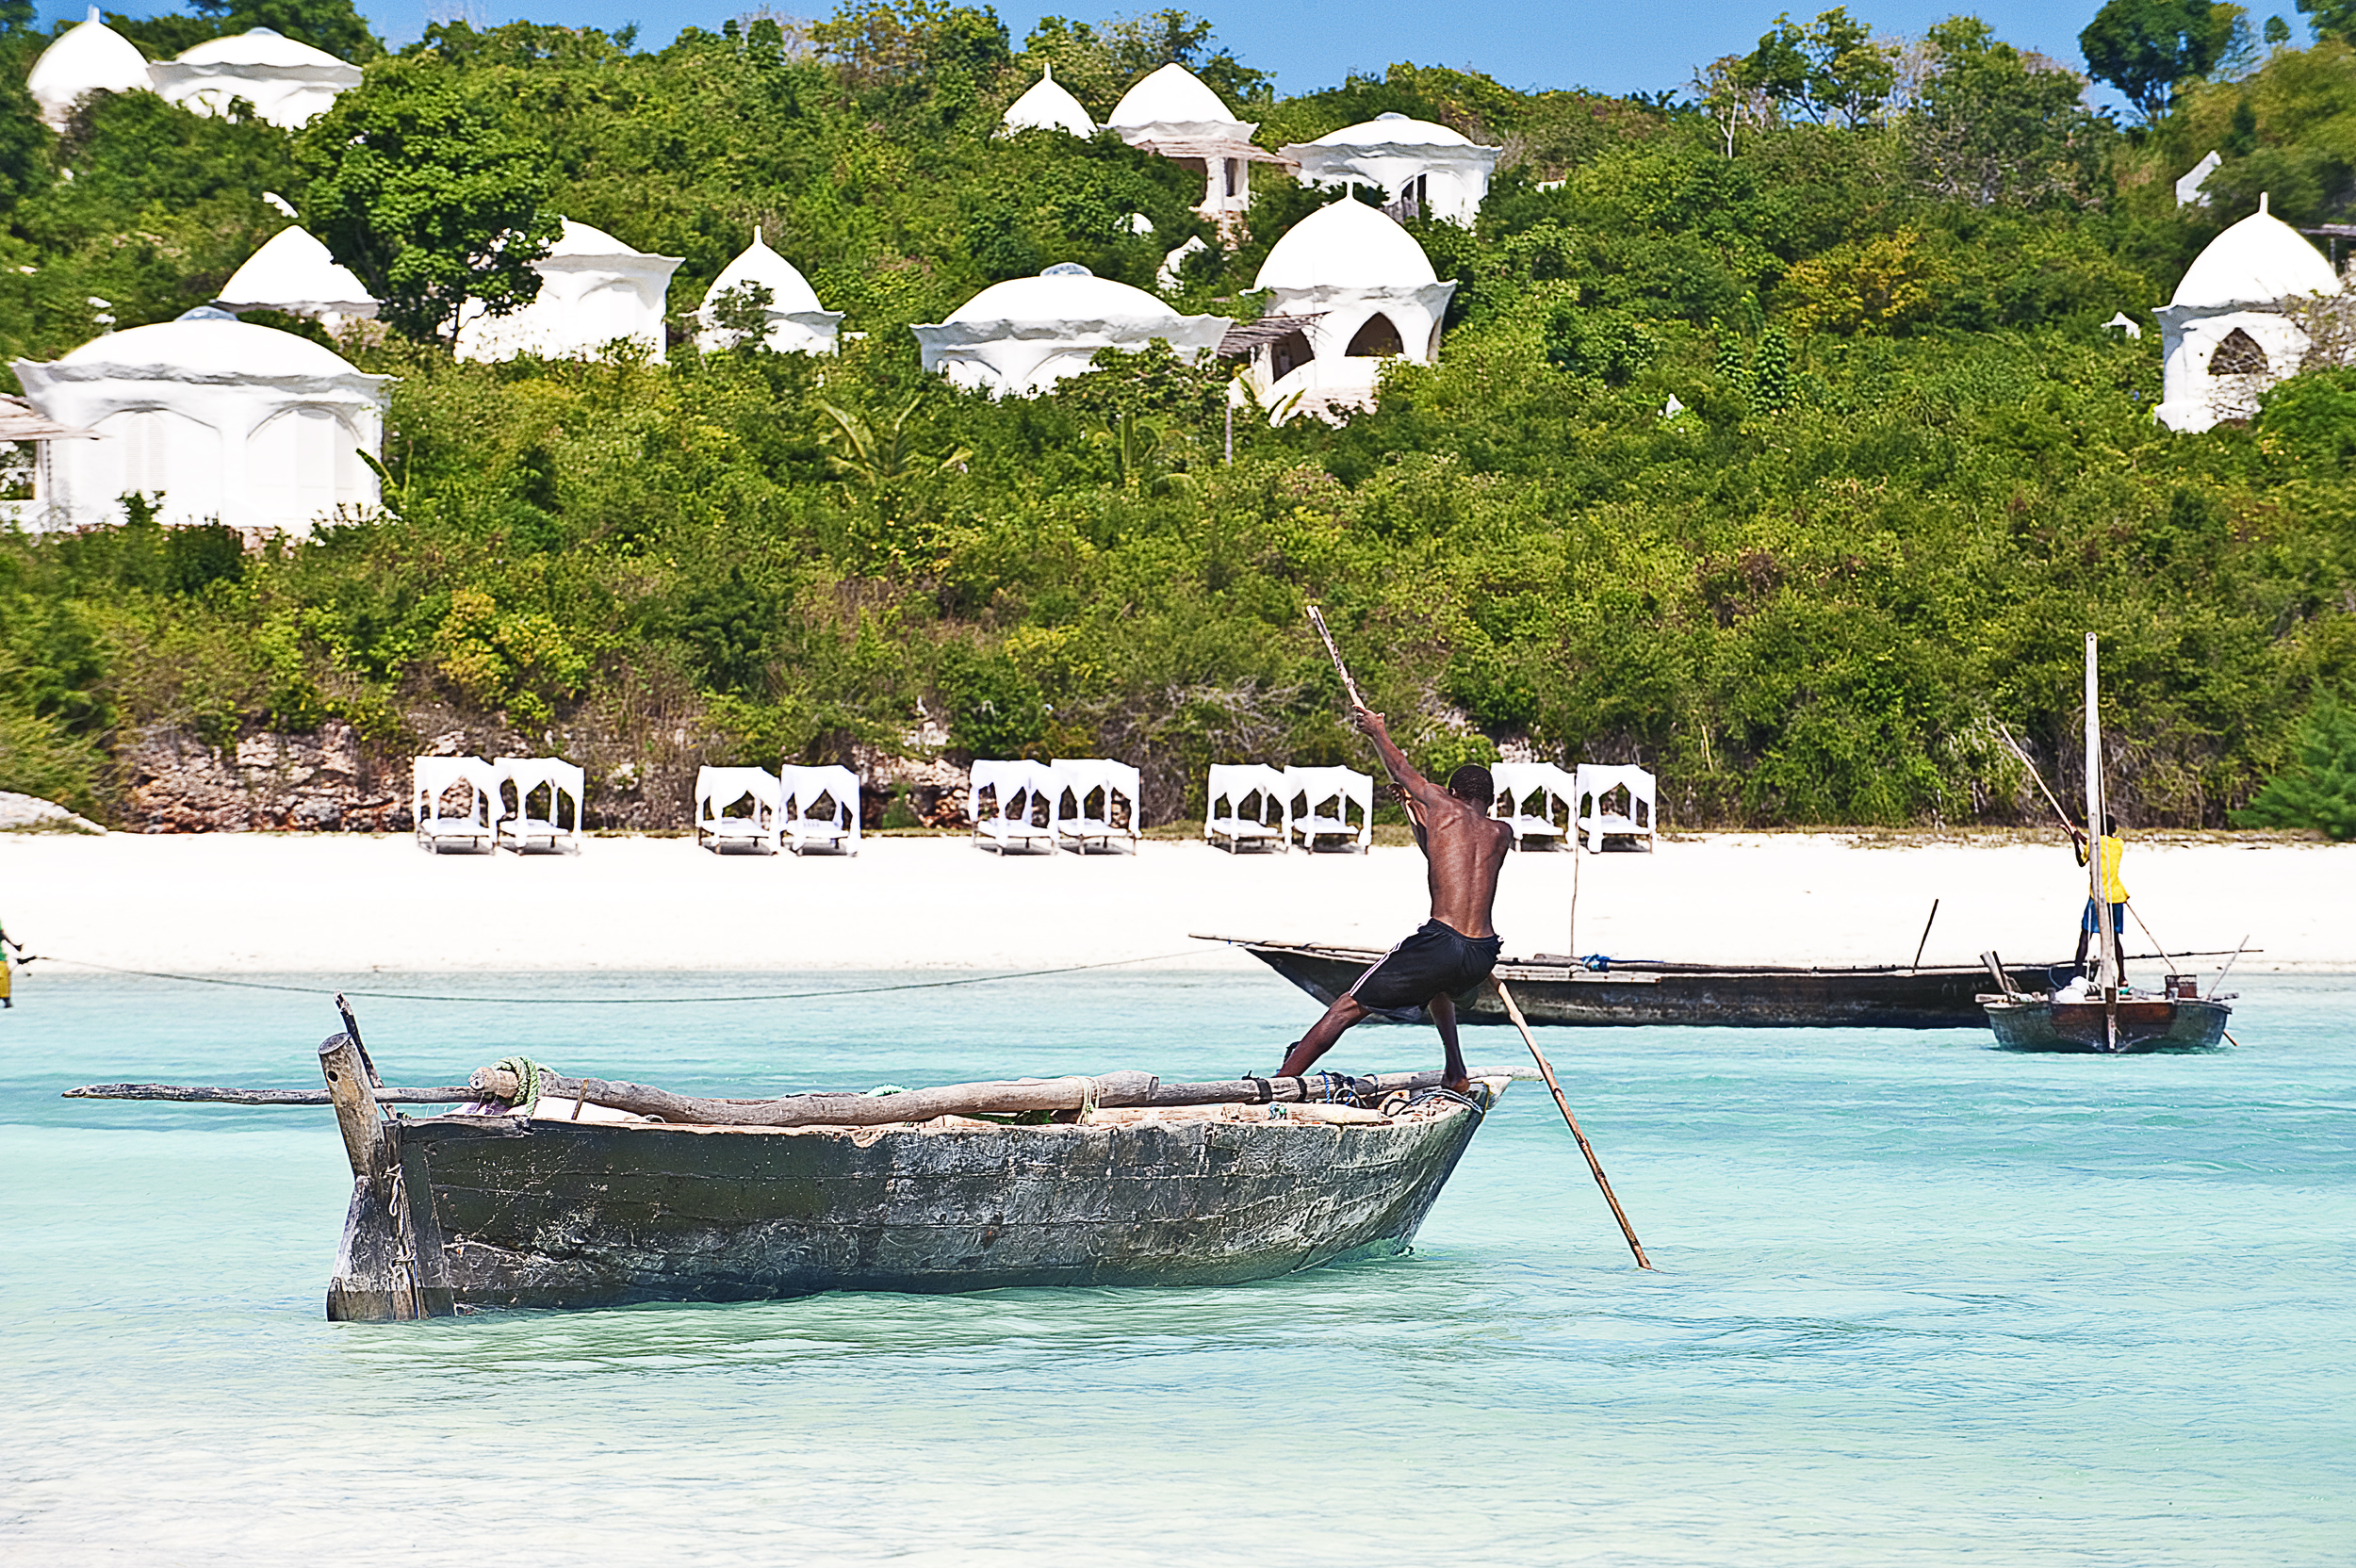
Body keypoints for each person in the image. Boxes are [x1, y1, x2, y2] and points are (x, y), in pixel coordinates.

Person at [1274, 706, 1514, 1095]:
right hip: (1482, 952)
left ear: (1452, 793)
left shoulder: (1440, 803)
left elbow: (1402, 769)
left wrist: (1376, 732)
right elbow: (1442, 857)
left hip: (1442, 941)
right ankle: (1456, 1071)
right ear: (1490, 799)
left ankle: (1279, 1085)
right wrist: (1411, 809)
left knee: (1346, 1008)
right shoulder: (1501, 832)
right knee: (1439, 987)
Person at [2071, 813, 2128, 979]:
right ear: (2114, 830)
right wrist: (2079, 835)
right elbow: (2096, 843)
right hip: (2116, 896)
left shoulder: (2093, 845)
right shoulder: (2119, 844)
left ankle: (2077, 973)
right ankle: (2122, 976)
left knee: (2085, 936)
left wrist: (2075, 842)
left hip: (2098, 896)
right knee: (2114, 939)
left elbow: (2082, 862)